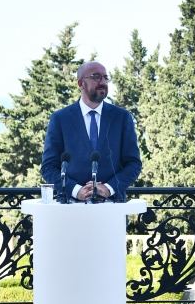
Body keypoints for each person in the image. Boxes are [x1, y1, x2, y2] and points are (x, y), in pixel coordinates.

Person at [41, 61, 142, 202]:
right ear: (81, 83)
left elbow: (133, 164)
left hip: (113, 207)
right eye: (96, 77)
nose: (103, 82)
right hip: (70, 207)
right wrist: (75, 190)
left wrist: (109, 188)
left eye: (105, 78)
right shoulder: (60, 118)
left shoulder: (122, 118)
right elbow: (48, 167)